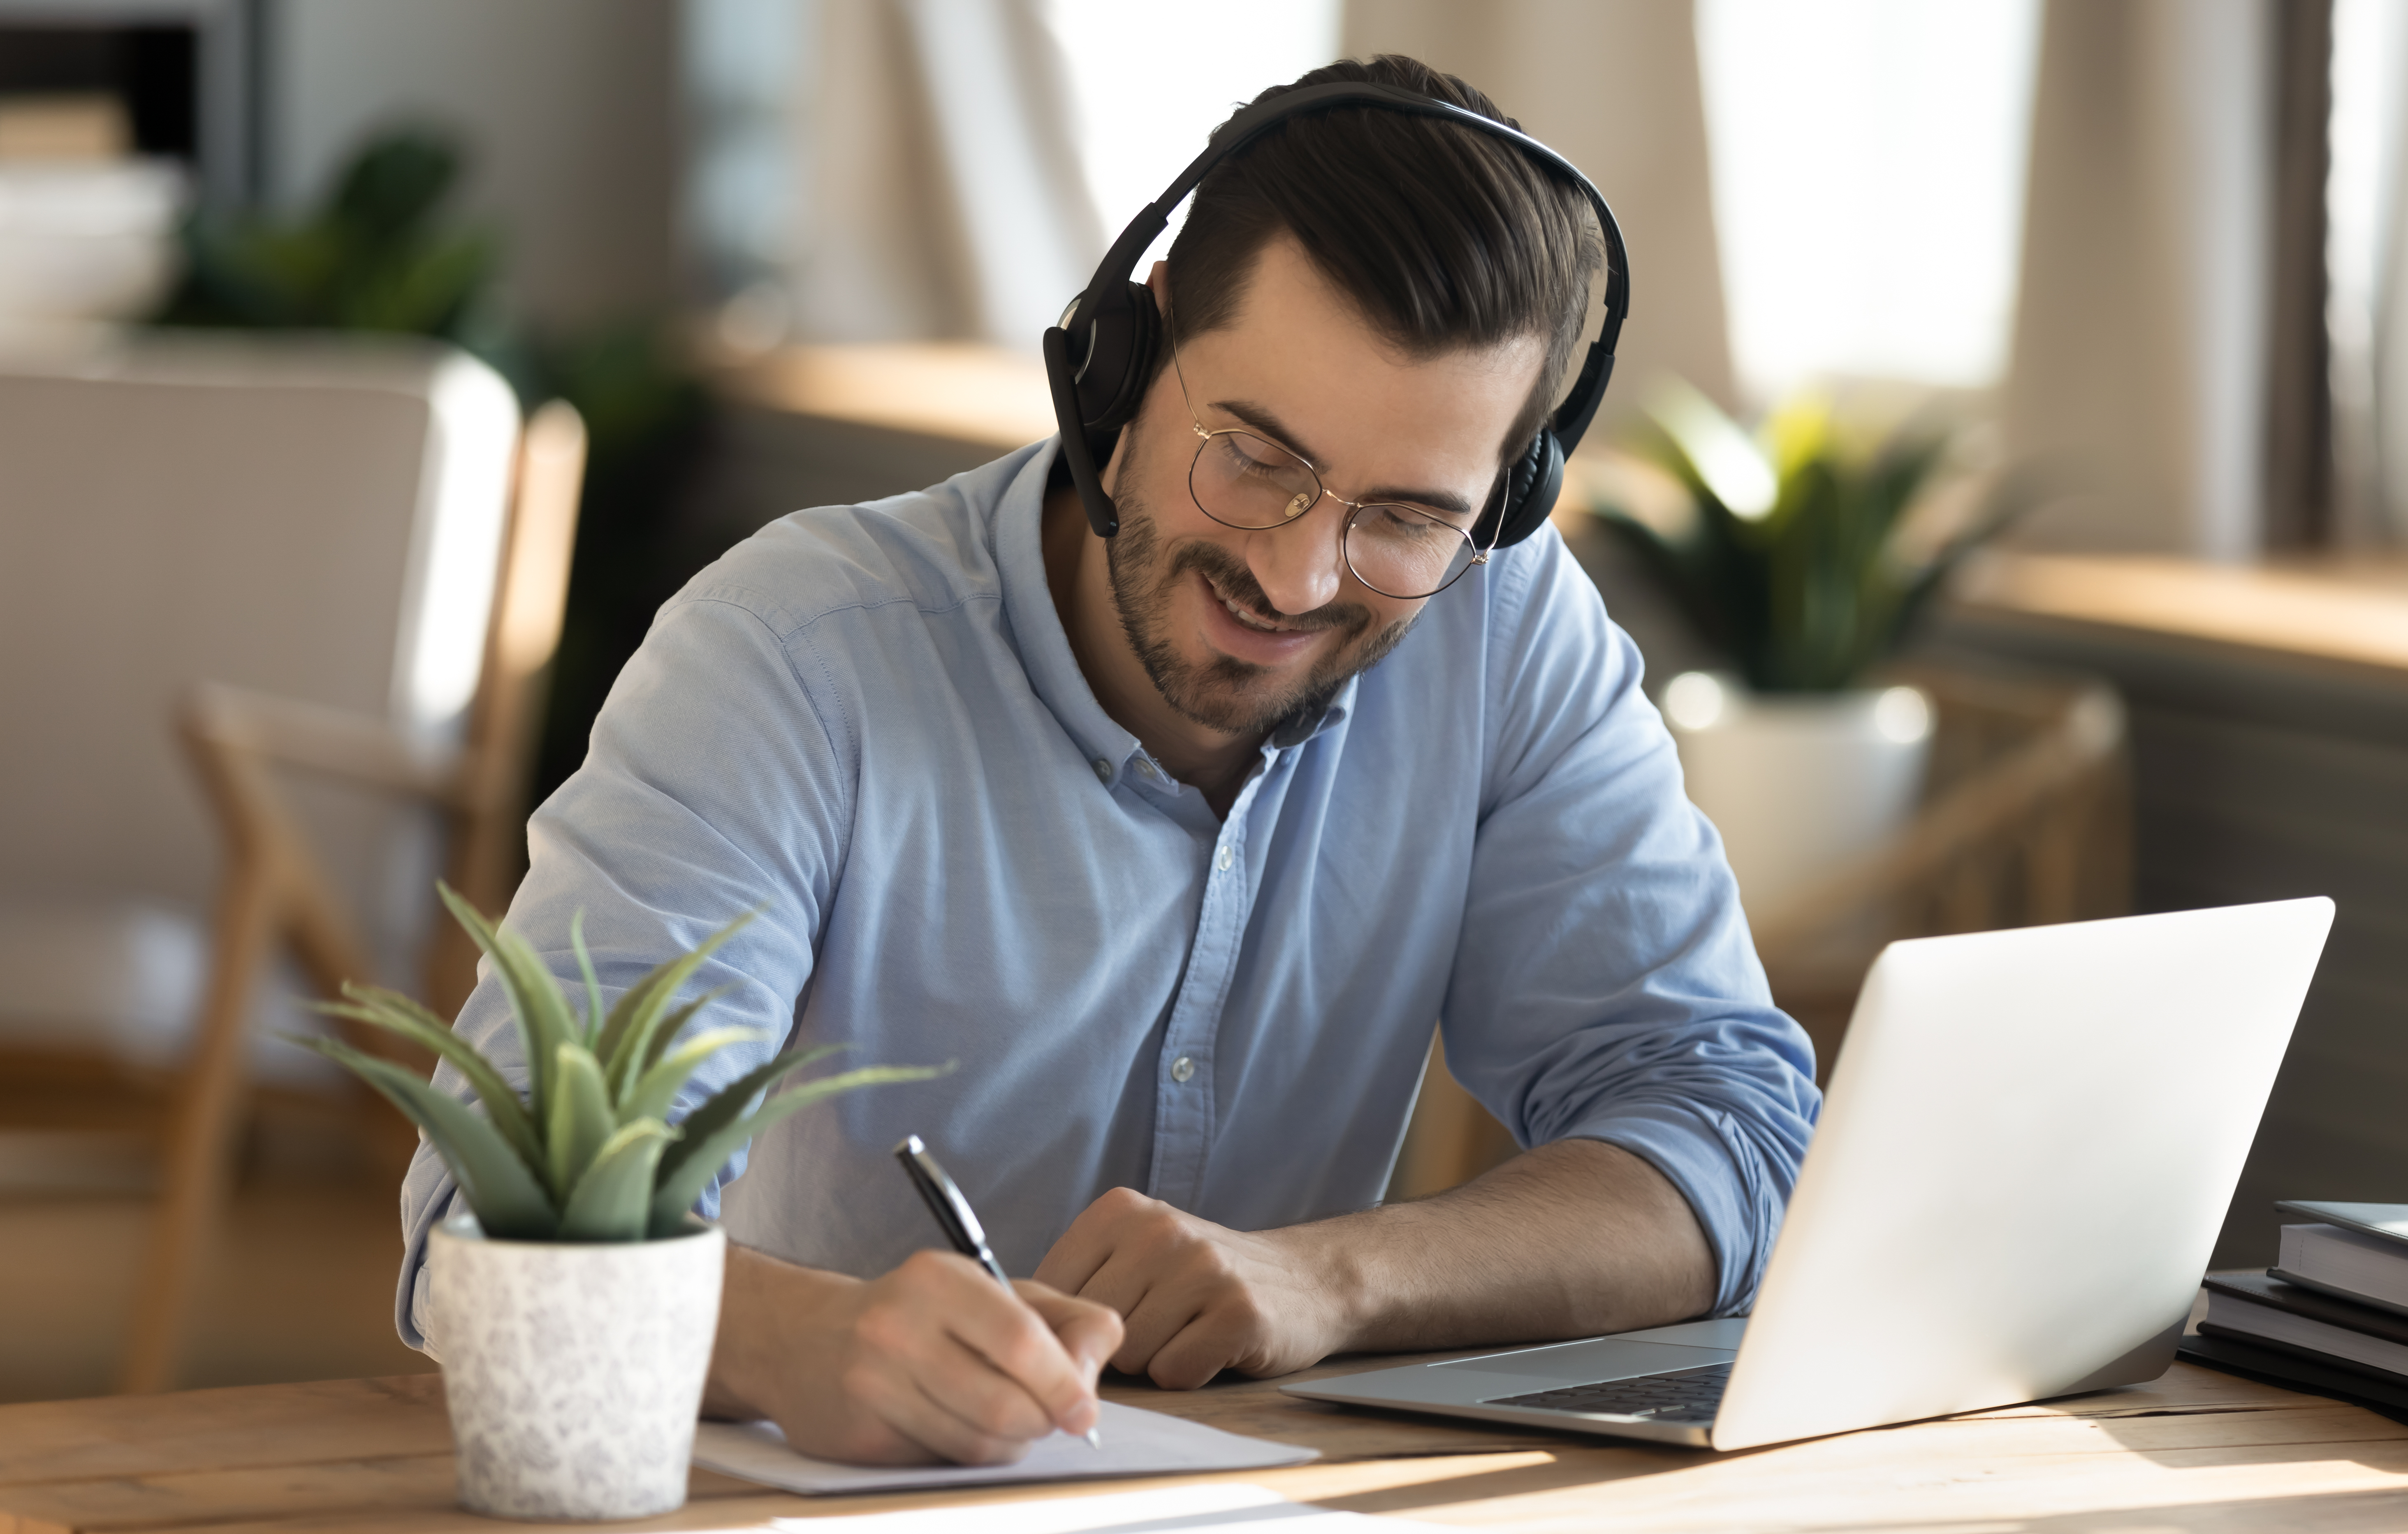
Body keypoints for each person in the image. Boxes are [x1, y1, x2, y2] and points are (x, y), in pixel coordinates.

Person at [396, 54, 1816, 1467]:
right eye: (1254, 454)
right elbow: (491, 1228)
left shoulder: (1500, 626)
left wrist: (1328, 1279)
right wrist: (798, 1338)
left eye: (1402, 515)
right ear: (1118, 364)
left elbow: (1732, 1129)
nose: (1299, 572)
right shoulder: (791, 653)